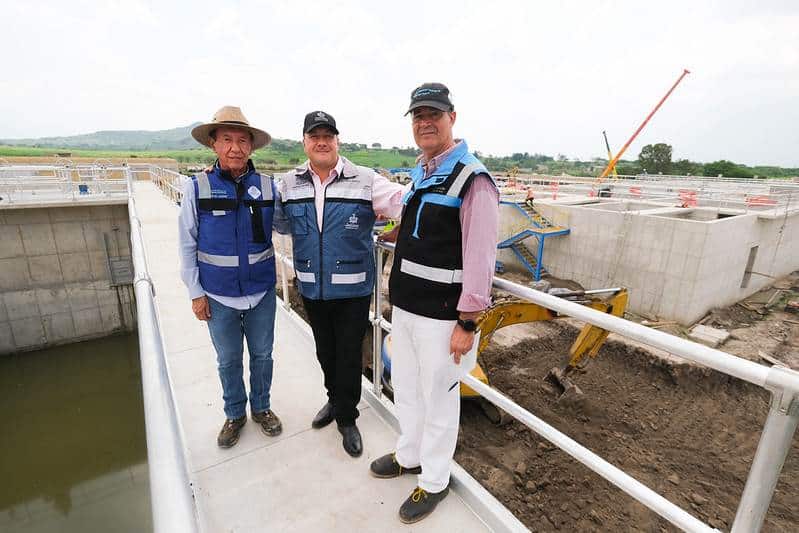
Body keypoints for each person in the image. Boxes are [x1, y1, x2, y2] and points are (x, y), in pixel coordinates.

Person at [370, 83, 499, 523]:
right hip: (405, 308)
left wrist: (468, 322)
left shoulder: (473, 178)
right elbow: (416, 225)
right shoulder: (423, 173)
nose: (425, 121)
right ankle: (409, 455)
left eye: (434, 114)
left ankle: (434, 481)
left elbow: (481, 257)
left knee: (439, 400)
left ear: (452, 117)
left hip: (444, 319)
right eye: (418, 115)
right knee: (406, 389)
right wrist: (389, 236)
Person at [275, 111, 405, 457]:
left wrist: (399, 229)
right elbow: (280, 223)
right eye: (314, 136)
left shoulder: (365, 180)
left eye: (328, 136)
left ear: (337, 141)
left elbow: (404, 203)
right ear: (304, 141)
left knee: (348, 354)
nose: (321, 141)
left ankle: (347, 418)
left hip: (352, 288)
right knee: (324, 351)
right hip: (312, 286)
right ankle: (334, 401)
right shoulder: (289, 183)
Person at [179, 106, 285, 448]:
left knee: (263, 355)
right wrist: (196, 292)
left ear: (251, 147)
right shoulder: (198, 187)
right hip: (218, 295)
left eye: (242, 140)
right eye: (227, 140)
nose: (236, 148)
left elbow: (289, 224)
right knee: (228, 360)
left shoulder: (269, 187)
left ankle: (262, 408)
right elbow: (186, 244)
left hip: (261, 292)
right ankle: (235, 413)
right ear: (214, 144)